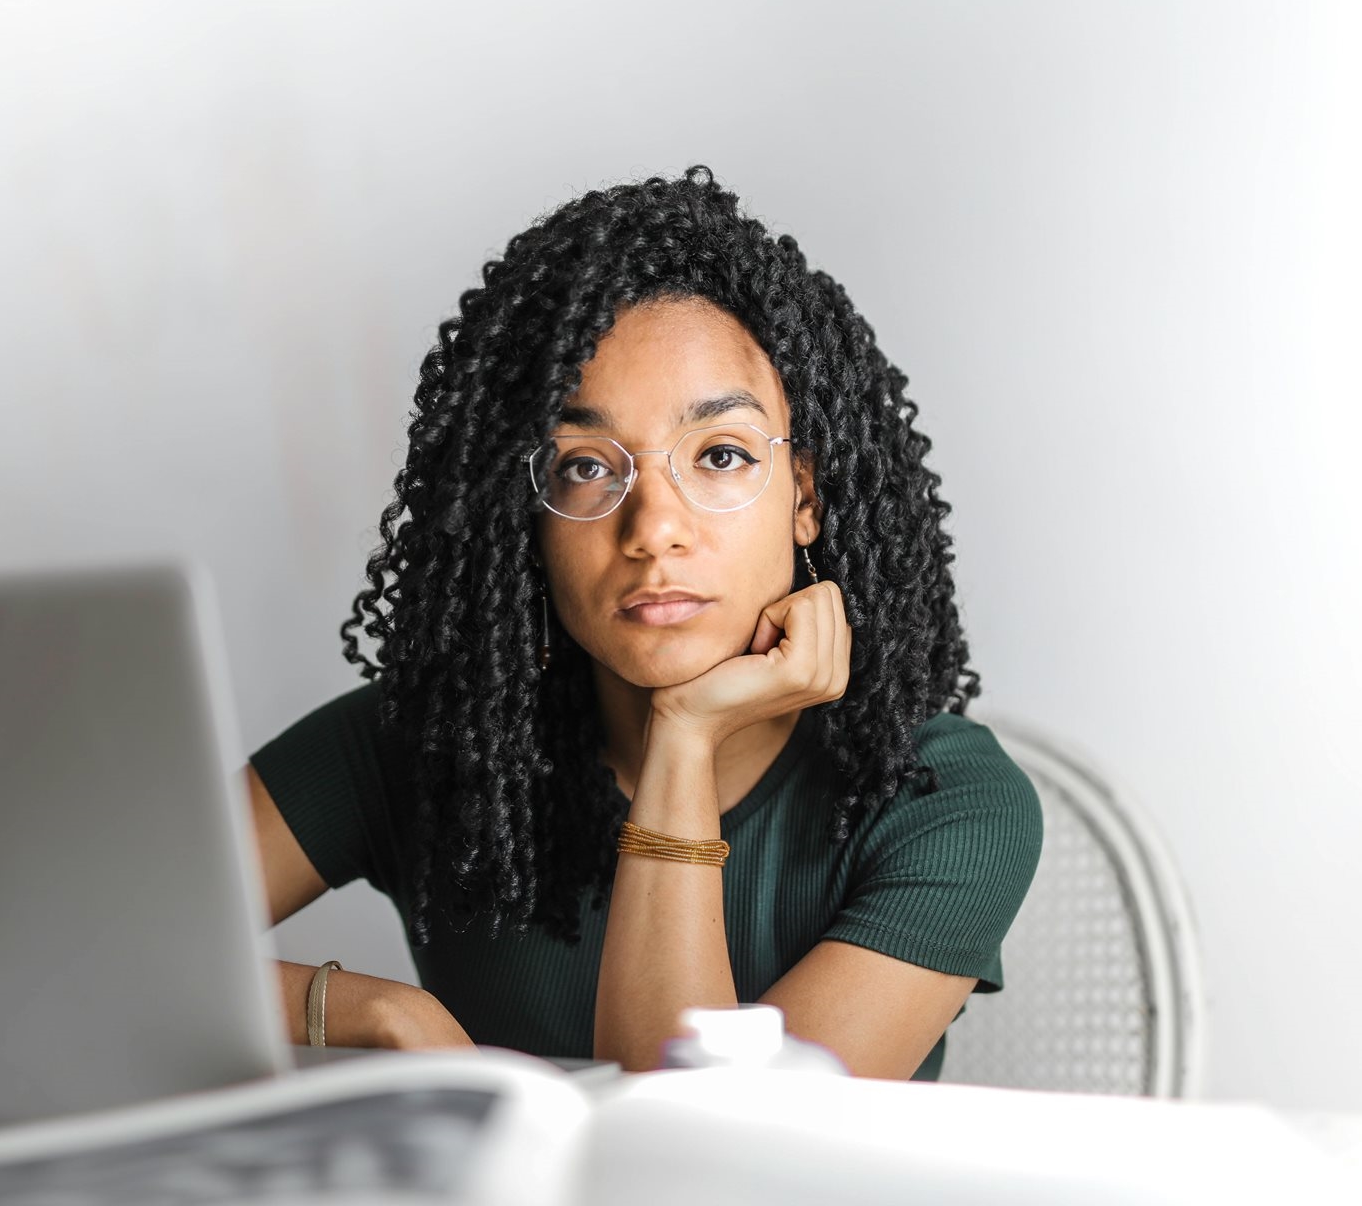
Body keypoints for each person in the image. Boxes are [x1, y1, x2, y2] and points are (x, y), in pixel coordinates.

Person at [246, 166, 1043, 1080]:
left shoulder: (944, 800)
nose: (654, 527)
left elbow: (704, 1156)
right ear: (528, 516)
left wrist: (685, 734)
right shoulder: (435, 742)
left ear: (805, 498)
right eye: (585, 466)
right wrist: (376, 1010)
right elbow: (72, 949)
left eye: (722, 454)